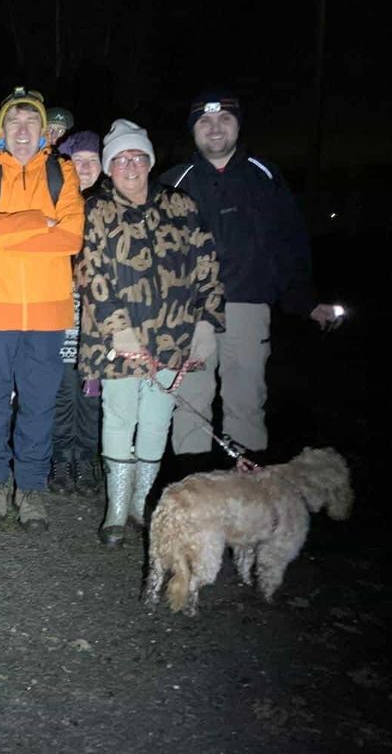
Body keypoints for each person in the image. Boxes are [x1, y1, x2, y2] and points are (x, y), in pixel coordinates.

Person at [159, 90, 342, 464]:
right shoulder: (173, 181)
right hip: (189, 313)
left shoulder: (264, 176)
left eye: (224, 119)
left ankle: (250, 497)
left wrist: (304, 301)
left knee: (246, 401)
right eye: (204, 121)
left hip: (247, 306)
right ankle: (194, 494)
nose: (214, 128)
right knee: (190, 402)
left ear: (238, 126)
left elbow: (290, 243)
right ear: (193, 130)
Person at [78, 119, 226, 545]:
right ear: (109, 166)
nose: (130, 166)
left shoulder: (181, 204)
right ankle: (116, 509)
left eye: (137, 157)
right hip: (116, 340)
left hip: (173, 337)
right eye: (121, 158)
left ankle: (143, 504)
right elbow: (91, 271)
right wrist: (119, 331)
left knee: (158, 418)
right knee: (120, 416)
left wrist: (206, 323)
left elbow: (208, 266)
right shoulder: (96, 208)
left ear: (149, 161)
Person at [0, 87, 84, 533]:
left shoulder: (61, 171)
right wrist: (38, 221)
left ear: (42, 129)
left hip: (48, 313)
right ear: (1, 129)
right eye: (13, 123)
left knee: (38, 404)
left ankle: (30, 487)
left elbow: (71, 236)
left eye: (30, 122)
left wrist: (8, 228)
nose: (22, 130)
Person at [48, 130, 104, 495]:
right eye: (76, 160)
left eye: (92, 161)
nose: (84, 168)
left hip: (100, 315)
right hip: (60, 310)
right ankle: (60, 456)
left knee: (92, 392)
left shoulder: (107, 204)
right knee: (63, 389)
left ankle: (86, 458)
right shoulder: (53, 201)